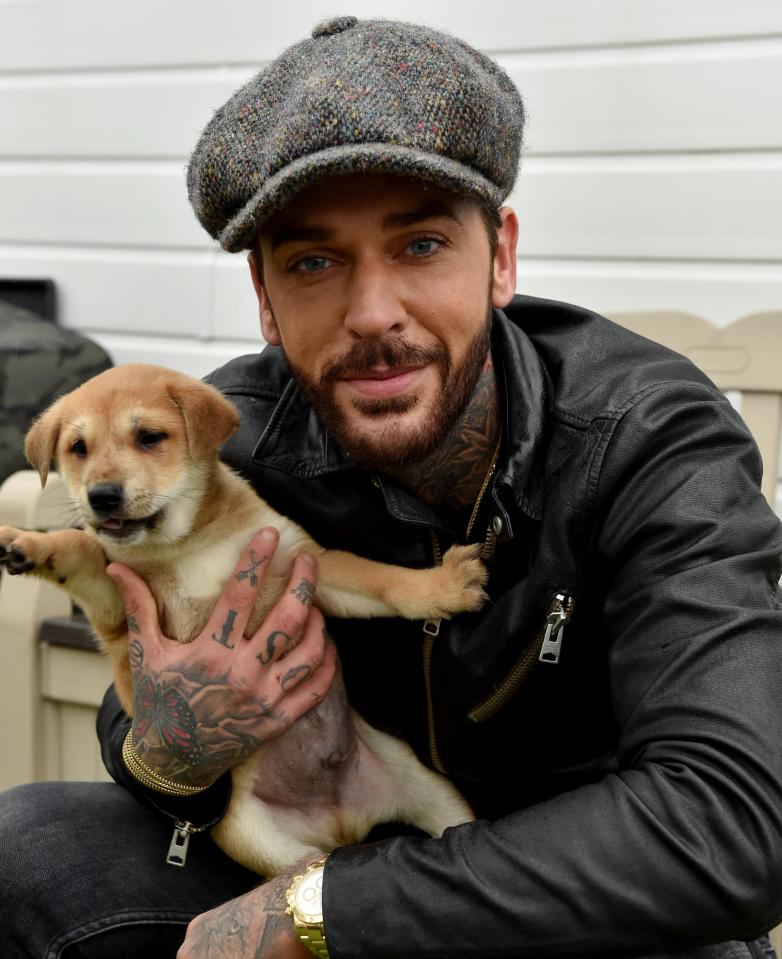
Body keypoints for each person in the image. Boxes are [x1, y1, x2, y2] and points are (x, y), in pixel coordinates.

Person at [1, 15, 781, 959]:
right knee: (27, 845)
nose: (373, 315)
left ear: (500, 258)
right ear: (265, 298)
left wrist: (328, 913)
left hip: (578, 889)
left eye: (419, 245)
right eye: (315, 262)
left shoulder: (649, 436)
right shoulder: (223, 435)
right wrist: (172, 752)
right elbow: (144, 673)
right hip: (313, 829)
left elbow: (735, 818)